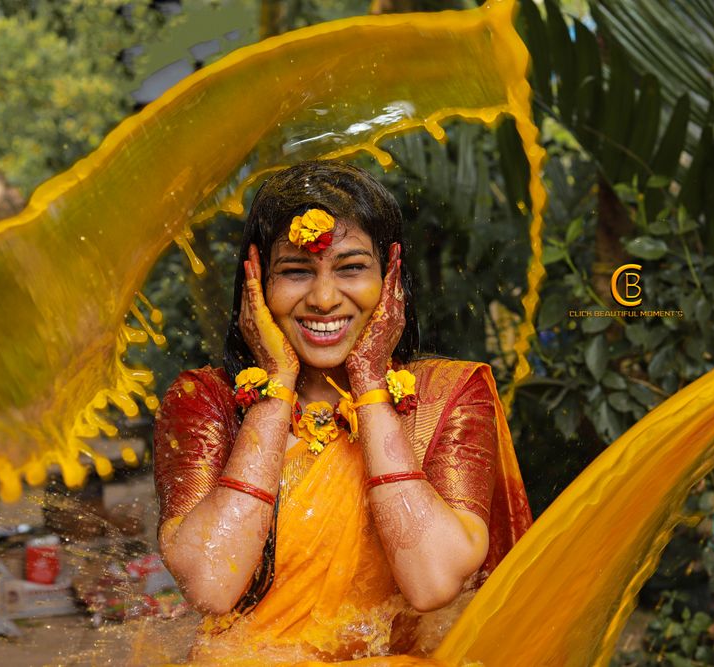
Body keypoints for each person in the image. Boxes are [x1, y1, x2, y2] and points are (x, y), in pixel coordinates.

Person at [153, 161, 531, 663]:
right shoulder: (205, 402)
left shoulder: (447, 397)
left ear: (390, 276)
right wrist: (275, 389)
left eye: (351, 267)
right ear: (255, 282)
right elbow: (212, 586)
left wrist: (371, 385)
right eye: (295, 272)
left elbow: (433, 582)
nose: (325, 298)